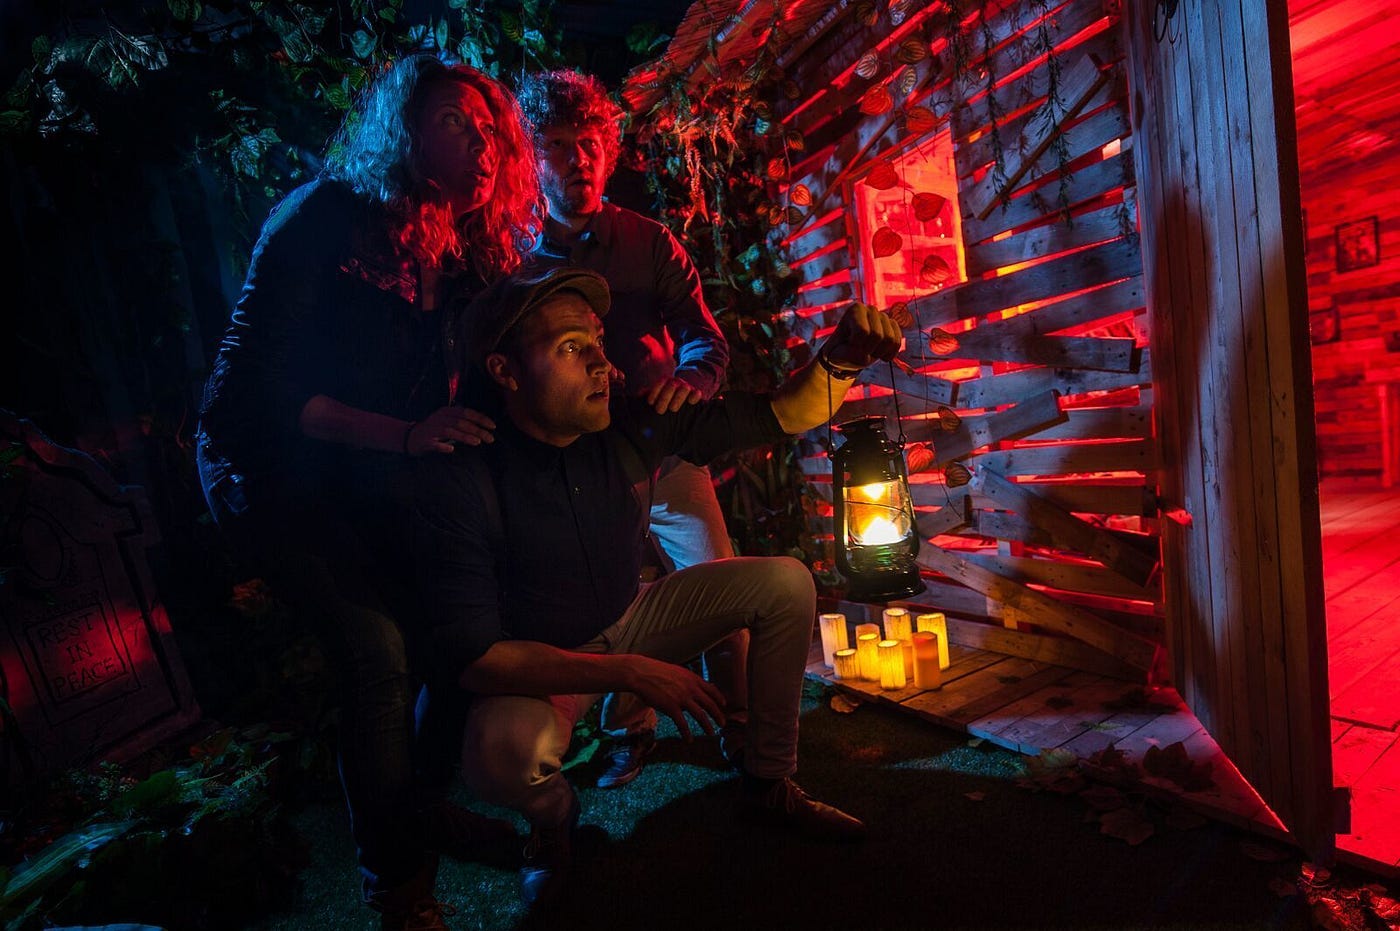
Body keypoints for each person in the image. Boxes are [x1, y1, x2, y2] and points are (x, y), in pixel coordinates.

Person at [412, 266, 903, 909]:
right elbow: (477, 660)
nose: (601, 362)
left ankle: (768, 784)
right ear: (505, 371)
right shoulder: (463, 475)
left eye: (596, 339)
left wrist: (842, 358)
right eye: (571, 347)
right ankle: (552, 824)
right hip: (541, 662)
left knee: (784, 582)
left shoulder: (626, 424)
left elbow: (782, 414)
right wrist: (632, 673)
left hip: (631, 616)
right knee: (499, 754)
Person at [195, 54, 539, 930]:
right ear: (403, 131)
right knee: (376, 650)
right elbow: (255, 399)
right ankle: (398, 884)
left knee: (453, 630)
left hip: (367, 467)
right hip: (266, 465)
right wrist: (410, 438)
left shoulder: (467, 252)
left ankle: (416, 807)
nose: (483, 145)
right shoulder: (320, 219)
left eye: (492, 130)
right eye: (457, 121)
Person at [515, 69, 741, 789]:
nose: (576, 159)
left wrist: (693, 380)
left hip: (664, 456)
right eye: (556, 144)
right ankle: (627, 732)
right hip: (575, 473)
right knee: (617, 602)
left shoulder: (650, 241)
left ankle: (741, 726)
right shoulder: (511, 256)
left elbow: (705, 339)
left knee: (722, 586)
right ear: (530, 156)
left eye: (588, 142)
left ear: (608, 150)